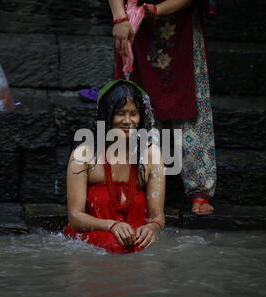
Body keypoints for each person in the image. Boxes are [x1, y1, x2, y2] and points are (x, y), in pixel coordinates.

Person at [109, 0, 217, 215]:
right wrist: (120, 18)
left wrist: (156, 10)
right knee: (136, 105)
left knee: (192, 102)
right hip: (134, 22)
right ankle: (136, 186)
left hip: (180, 23)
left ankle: (199, 187)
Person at [64, 80, 165, 254]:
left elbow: (157, 217)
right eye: (120, 113)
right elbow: (75, 217)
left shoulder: (151, 154)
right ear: (107, 115)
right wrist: (112, 226)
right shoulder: (84, 154)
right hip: (96, 236)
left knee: (144, 248)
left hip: (135, 238)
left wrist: (152, 229)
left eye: (134, 113)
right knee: (116, 246)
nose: (128, 121)